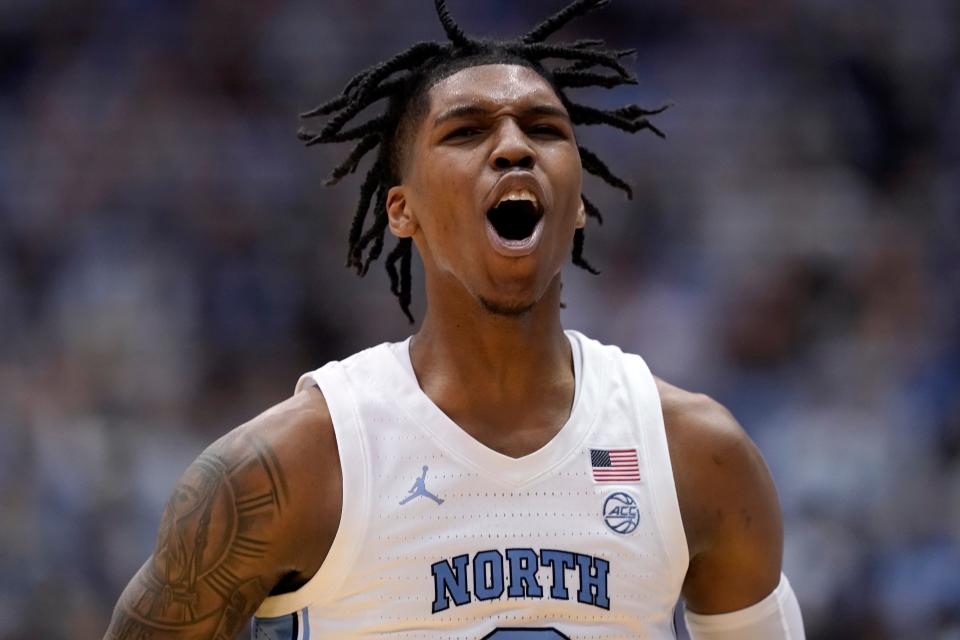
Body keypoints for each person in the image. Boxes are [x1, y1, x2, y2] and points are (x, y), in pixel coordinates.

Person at [105, 1, 804, 638]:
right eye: (466, 131)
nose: (512, 147)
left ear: (579, 201)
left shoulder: (700, 458)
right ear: (400, 209)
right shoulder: (291, 467)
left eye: (544, 128)